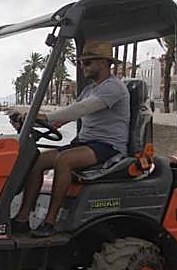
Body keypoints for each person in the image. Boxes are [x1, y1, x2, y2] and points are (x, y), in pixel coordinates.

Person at [9, 41, 130, 237]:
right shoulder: (90, 89)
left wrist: (45, 117)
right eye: (81, 63)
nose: (83, 67)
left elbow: (80, 109)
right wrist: (30, 124)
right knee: (37, 161)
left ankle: (50, 221)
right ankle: (22, 218)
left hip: (108, 146)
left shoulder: (113, 87)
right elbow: (64, 119)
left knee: (64, 160)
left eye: (87, 62)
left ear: (103, 63)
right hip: (85, 143)